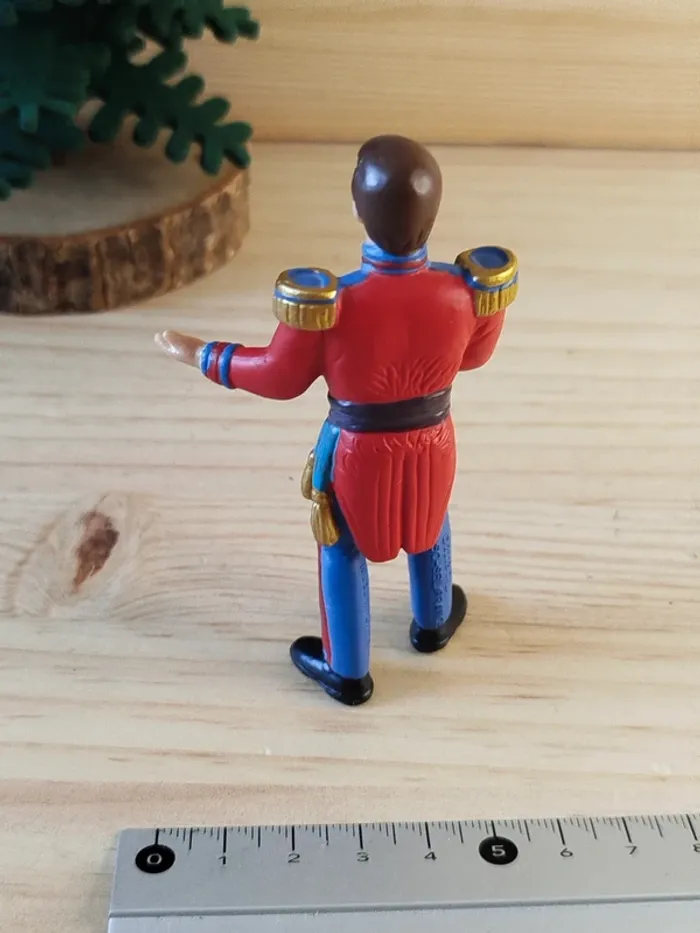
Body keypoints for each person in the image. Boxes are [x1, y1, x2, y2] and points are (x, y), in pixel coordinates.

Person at [156, 134, 518, 706]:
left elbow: (277, 377)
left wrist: (205, 355)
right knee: (431, 523)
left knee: (342, 546)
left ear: (357, 209)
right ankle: (433, 622)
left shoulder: (333, 304)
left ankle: (347, 669)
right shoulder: (463, 291)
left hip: (359, 451)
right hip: (434, 438)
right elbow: (475, 356)